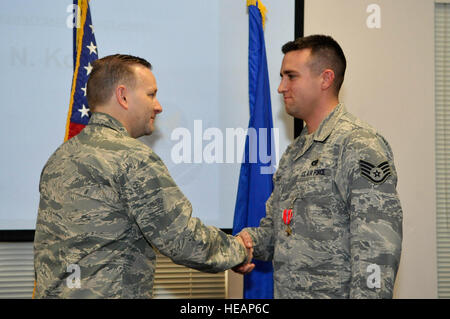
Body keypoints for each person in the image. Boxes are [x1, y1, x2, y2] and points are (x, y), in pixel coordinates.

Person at [34, 54, 251, 298]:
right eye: (151, 94)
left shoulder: (59, 157)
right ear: (123, 96)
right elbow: (182, 238)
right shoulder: (131, 157)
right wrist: (239, 249)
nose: (158, 106)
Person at [233, 35, 403, 299]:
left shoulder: (359, 144)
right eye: (281, 77)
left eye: (291, 76)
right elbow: (277, 233)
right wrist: (243, 244)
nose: (280, 87)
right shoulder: (295, 151)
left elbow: (377, 249)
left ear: (325, 79)